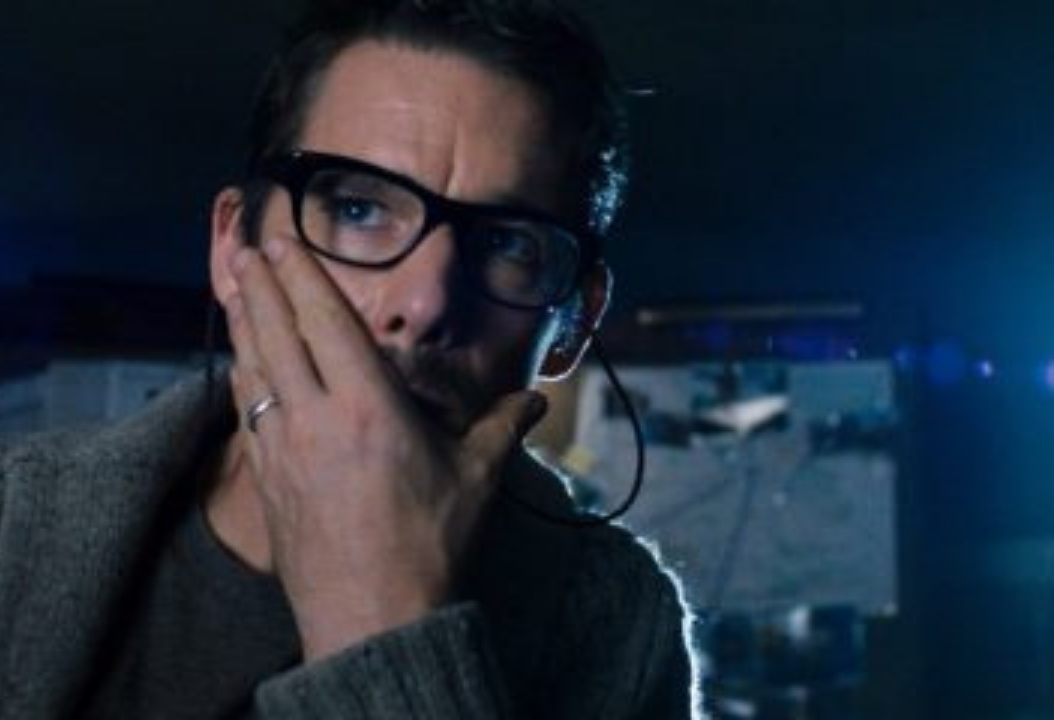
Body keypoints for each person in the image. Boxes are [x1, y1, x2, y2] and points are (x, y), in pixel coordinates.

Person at [0, 0, 700, 717]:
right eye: (358, 209)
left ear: (576, 321)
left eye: (508, 244)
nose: (425, 304)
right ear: (232, 248)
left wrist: (382, 626)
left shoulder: (625, 634)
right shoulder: (14, 517)